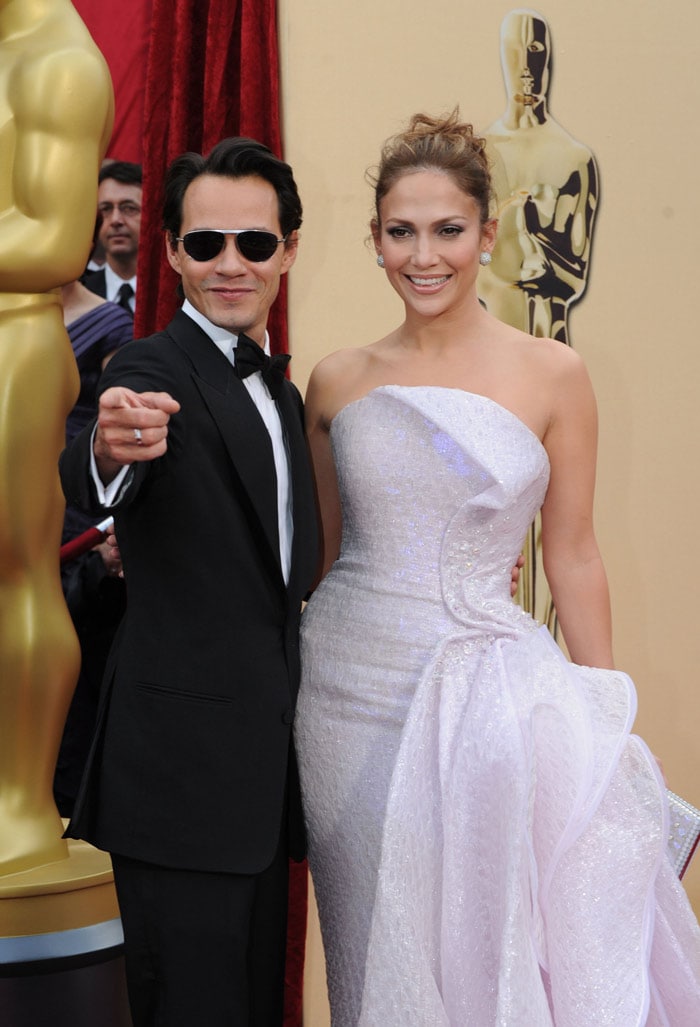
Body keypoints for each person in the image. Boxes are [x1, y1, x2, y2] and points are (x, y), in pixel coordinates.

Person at [295, 111, 700, 1025]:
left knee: (483, 937)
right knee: (371, 939)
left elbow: (574, 553)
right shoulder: (336, 379)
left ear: (487, 233)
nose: (424, 254)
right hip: (344, 696)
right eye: (401, 231)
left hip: (486, 694)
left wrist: (606, 722)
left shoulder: (552, 373)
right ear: (373, 241)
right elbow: (312, 559)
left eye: (447, 230)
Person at [59, 137, 317, 1027]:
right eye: (205, 244)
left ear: (288, 247)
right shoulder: (152, 368)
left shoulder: (281, 391)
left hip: (261, 785)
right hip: (177, 784)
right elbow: (110, 447)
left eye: (254, 242)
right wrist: (107, 447)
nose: (230, 264)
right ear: (170, 251)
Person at [0, 0, 113, 875]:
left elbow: (51, 239)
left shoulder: (59, 65)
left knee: (15, 567)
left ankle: (23, 805)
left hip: (17, 334)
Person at [54, 277, 132, 817]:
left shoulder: (113, 328)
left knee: (70, 701)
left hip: (79, 533)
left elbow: (118, 440)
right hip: (18, 526)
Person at [479, 9, 598, 345]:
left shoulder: (574, 158)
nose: (525, 69)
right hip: (489, 340)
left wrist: (525, 235)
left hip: (550, 335)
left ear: (548, 58)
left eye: (535, 50)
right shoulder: (480, 154)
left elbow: (576, 272)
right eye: (515, 51)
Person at [83, 160, 143, 315]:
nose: (116, 220)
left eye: (129, 208)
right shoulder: (79, 295)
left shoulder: (168, 296)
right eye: (106, 209)